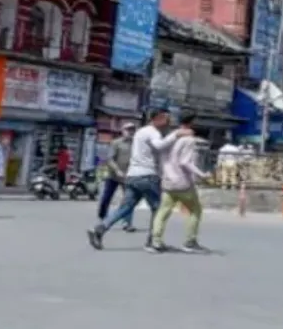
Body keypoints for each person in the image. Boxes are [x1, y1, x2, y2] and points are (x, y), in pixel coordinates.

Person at [87, 108, 190, 251]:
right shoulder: (152, 132)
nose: (169, 121)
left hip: (133, 175)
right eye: (166, 118)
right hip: (147, 176)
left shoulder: (141, 132)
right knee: (158, 209)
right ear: (158, 118)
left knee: (125, 207)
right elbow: (159, 146)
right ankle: (153, 242)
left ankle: (99, 229)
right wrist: (176, 135)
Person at [152, 111, 211, 253]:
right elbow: (185, 162)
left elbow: (161, 157)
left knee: (163, 212)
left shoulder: (171, 138)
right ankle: (190, 241)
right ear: (191, 124)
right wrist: (202, 174)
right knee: (195, 210)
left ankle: (156, 241)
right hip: (183, 182)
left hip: (168, 181)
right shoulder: (189, 140)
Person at [97, 122, 137, 233]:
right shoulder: (116, 143)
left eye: (132, 130)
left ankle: (127, 223)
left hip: (128, 176)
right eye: (128, 130)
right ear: (122, 131)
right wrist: (117, 170)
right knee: (106, 197)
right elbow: (110, 159)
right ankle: (103, 218)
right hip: (114, 175)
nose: (130, 132)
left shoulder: (136, 144)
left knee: (129, 200)